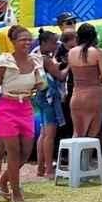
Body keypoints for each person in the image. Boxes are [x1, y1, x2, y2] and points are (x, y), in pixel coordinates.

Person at [0, 25, 43, 202]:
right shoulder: (3, 62)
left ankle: (2, 180)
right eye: (23, 39)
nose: (27, 42)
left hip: (26, 108)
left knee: (26, 152)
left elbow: (39, 85)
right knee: (13, 152)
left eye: (29, 39)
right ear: (13, 42)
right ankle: (15, 192)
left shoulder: (35, 61)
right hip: (7, 107)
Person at [32, 30, 66, 177]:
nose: (55, 46)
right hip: (48, 97)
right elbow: (60, 76)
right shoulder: (45, 59)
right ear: (44, 43)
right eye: (53, 43)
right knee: (50, 135)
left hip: (40, 96)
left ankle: (40, 167)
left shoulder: (35, 54)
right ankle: (48, 169)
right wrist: (69, 66)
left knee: (44, 133)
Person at [67, 23, 102, 140]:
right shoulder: (98, 53)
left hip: (76, 95)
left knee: (77, 132)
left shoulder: (71, 52)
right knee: (92, 135)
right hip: (94, 95)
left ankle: (74, 153)